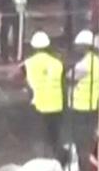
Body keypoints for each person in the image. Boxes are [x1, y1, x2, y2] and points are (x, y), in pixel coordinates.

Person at [23, 31, 67, 164]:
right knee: (55, 135)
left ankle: (43, 160)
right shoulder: (57, 62)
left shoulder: (29, 63)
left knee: (41, 135)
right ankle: (59, 160)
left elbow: (24, 81)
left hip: (38, 104)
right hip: (56, 104)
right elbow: (63, 83)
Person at [69, 30, 99, 155]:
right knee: (91, 138)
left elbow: (70, 77)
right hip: (94, 105)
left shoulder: (85, 63)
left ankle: (84, 166)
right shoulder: (98, 61)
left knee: (81, 140)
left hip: (81, 107)